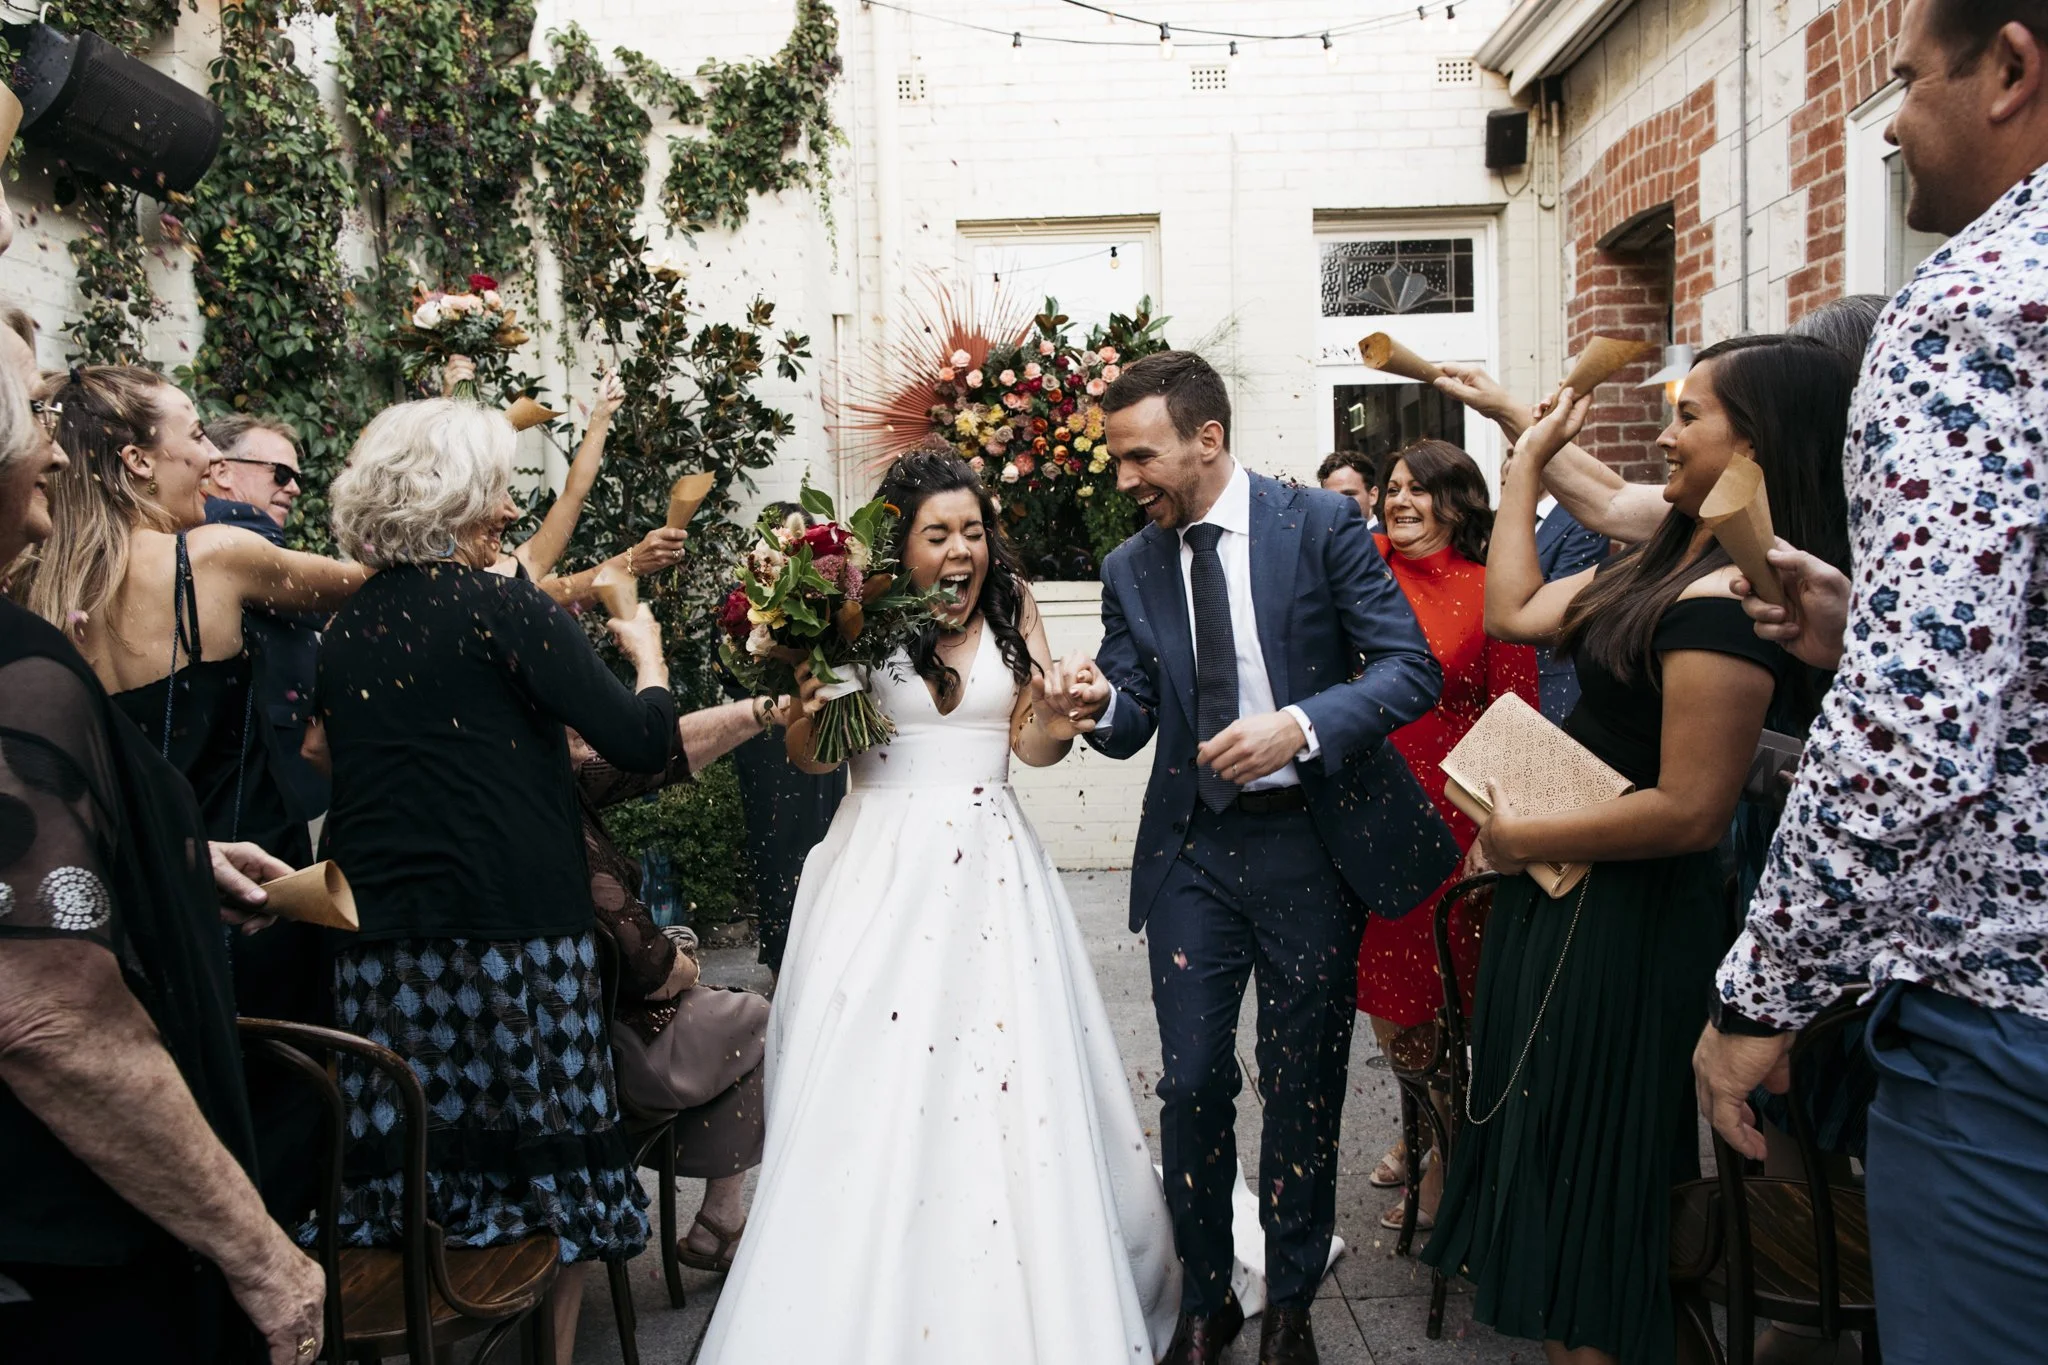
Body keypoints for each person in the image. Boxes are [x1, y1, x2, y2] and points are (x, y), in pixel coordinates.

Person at [1698, 6, 2048, 1362]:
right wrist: (1878, 626)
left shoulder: (1976, 306)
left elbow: (1913, 743)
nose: (1890, 120)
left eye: (1906, 81)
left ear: (2011, 67)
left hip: (2006, 1033)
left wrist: (1756, 1002)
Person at [1420, 335, 1854, 1365]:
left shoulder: (1735, 601)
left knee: (1602, 1187)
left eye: (1687, 414)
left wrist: (1522, 833)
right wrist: (1517, 440)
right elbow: (1526, 596)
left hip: (1626, 920)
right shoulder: (1676, 549)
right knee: (1559, 1162)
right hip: (1564, 906)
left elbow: (1690, 811)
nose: (1661, 432)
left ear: (1752, 450)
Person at [696, 448, 1182, 1365]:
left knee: (1005, 1082)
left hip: (992, 872)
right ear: (897, 542)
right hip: (876, 870)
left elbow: (1031, 750)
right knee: (867, 1085)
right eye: (939, 533)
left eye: (973, 531)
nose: (963, 550)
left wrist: (1060, 713)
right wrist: (806, 697)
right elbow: (810, 758)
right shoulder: (849, 616)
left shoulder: (1015, 606)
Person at [1046, 350, 1457, 1365]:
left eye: (1139, 455)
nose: (1124, 477)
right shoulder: (1128, 566)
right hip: (1194, 847)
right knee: (1187, 1084)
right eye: (1116, 458)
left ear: (1207, 438)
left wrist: (1301, 728)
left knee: (1301, 1080)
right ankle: (1205, 1299)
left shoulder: (1315, 527)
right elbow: (1137, 708)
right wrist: (1102, 704)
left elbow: (1406, 669)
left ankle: (1288, 1307)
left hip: (1311, 849)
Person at [316, 398, 677, 1364]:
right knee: (550, 1167)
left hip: (383, 957)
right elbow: (641, 738)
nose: (511, 501)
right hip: (517, 942)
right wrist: (647, 658)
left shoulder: (348, 627)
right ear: (460, 492)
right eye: (499, 479)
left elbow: (327, 756)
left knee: (418, 1175)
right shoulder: (499, 607)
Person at [0, 363, 326, 1364]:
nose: (53, 449)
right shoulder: (20, 669)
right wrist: (259, 1253)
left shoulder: (55, 623)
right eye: (28, 428)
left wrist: (178, 855)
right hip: (76, 1239)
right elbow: (47, 1018)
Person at [1353, 439, 1539, 1235]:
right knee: (1390, 1005)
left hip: (1453, 821)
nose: (1399, 500)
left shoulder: (1491, 589)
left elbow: (1517, 716)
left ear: (1455, 504)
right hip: (1368, 814)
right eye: (1391, 488)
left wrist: (1497, 835)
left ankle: (1450, 1156)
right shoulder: (1365, 575)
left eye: (1417, 490)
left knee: (1445, 1000)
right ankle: (1435, 1136)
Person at [569, 688, 796, 1273]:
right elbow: (655, 972)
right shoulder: (552, 812)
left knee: (722, 1024)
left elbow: (661, 755)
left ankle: (719, 1223)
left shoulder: (526, 785)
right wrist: (687, 961)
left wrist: (765, 708)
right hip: (607, 1055)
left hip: (575, 1036)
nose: (586, 738)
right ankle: (722, 1216)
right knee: (756, 1020)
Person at [200, 414, 328, 863]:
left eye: (296, 477)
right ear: (221, 471)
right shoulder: (228, 533)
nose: (293, 487)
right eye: (280, 473)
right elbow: (330, 600)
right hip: (257, 795)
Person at [1316, 448, 1381, 530]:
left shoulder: (1392, 541)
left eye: (1349, 495)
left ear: (1372, 496)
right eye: (1331, 498)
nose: (1339, 504)